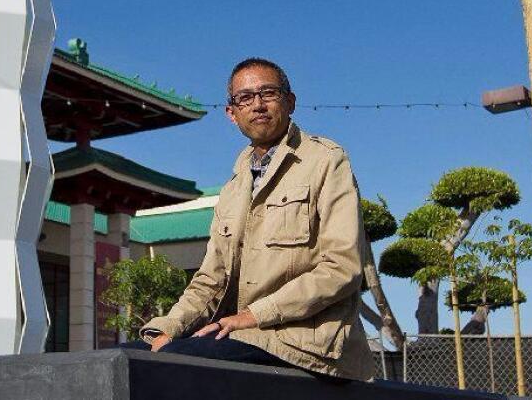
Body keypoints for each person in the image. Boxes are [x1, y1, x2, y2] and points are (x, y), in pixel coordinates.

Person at [121, 57, 377, 381]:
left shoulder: (325, 161)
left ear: (290, 101)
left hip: (304, 342)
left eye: (268, 93)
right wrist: (167, 329)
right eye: (245, 98)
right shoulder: (234, 185)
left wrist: (253, 316)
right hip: (240, 334)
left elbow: (342, 267)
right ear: (232, 113)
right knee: (126, 357)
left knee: (176, 364)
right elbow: (210, 280)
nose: (257, 105)